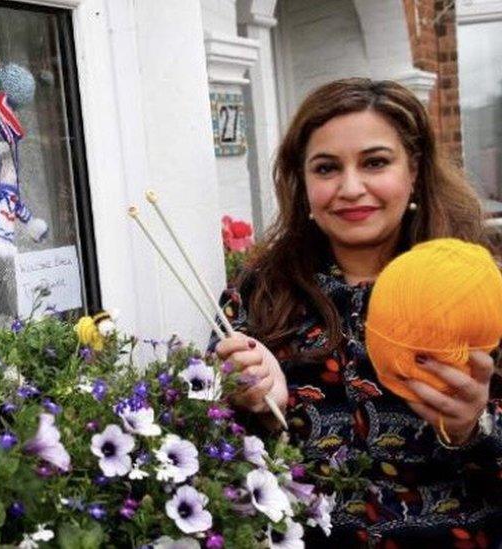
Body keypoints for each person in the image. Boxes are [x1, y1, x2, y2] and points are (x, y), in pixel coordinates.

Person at [212, 78, 502, 547]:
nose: (350, 187)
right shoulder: (259, 296)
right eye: (326, 168)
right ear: (301, 183)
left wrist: (474, 427)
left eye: (375, 162)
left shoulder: (482, 290)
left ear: (414, 171)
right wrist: (255, 409)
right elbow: (206, 451)